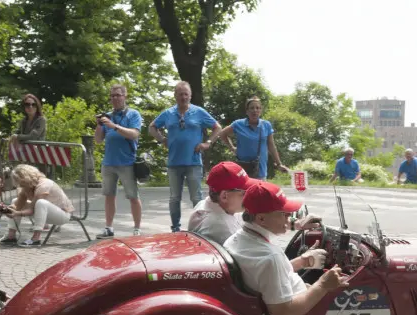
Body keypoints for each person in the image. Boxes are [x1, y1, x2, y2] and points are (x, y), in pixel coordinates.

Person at [224, 182, 349, 315]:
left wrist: (301, 262)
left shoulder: (237, 239)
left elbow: (265, 276)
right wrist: (322, 285)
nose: (289, 218)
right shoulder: (270, 258)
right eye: (283, 214)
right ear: (261, 219)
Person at [189, 161, 324, 245]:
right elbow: (249, 272)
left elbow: (250, 221)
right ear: (224, 195)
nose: (249, 195)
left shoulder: (220, 207)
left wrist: (296, 224)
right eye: (245, 192)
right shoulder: (218, 227)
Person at [149, 81, 222, 232]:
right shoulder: (168, 113)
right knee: (174, 198)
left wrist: (207, 142)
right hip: (174, 162)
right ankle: (175, 228)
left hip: (193, 162)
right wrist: (162, 139)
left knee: (196, 198)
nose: (183, 97)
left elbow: (217, 127)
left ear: (190, 96)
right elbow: (152, 127)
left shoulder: (199, 112)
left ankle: (200, 228)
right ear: (175, 96)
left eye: (186, 94)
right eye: (180, 94)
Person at [95, 83, 144, 238]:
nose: (115, 98)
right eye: (112, 95)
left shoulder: (133, 114)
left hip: (127, 162)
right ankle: (108, 227)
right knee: (109, 195)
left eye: (118, 95)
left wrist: (114, 126)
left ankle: (137, 229)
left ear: (125, 96)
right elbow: (97, 140)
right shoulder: (107, 116)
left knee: (133, 196)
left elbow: (134, 134)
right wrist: (99, 125)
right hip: (109, 162)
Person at [207, 96, 289, 180]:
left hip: (260, 169)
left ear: (261, 111)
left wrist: (279, 164)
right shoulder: (238, 124)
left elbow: (271, 145)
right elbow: (222, 134)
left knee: (258, 192)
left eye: (257, 108)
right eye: (252, 108)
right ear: (247, 111)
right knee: (242, 192)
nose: (255, 110)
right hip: (242, 169)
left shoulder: (266, 125)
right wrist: (232, 148)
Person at [0, 164, 74, 248]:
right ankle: (11, 236)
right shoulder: (27, 186)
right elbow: (17, 206)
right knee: (14, 200)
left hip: (62, 215)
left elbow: (32, 210)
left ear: (26, 178)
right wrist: (7, 210)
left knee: (41, 203)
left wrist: (17, 213)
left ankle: (36, 238)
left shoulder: (44, 184)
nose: (19, 185)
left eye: (20, 182)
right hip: (44, 212)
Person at [9, 93, 48, 175]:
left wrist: (17, 137)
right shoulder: (24, 120)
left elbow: (33, 136)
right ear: (24, 107)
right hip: (25, 154)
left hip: (38, 155)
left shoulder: (41, 120)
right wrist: (14, 135)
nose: (30, 107)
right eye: (27, 104)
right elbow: (18, 131)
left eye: (33, 104)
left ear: (37, 106)